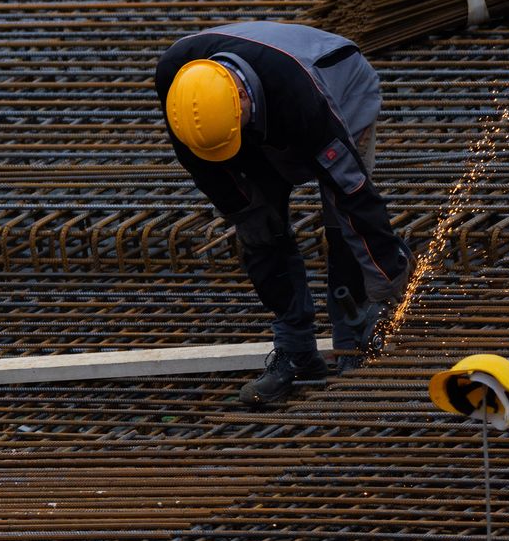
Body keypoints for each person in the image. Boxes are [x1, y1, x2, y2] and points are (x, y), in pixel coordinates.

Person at [156, 21, 411, 407]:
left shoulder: (299, 97)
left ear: (241, 98)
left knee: (343, 220)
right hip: (248, 127)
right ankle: (296, 349)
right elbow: (204, 166)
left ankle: (354, 341)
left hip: (339, 87)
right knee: (258, 228)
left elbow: (354, 194)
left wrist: (388, 281)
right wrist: (243, 208)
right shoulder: (178, 85)